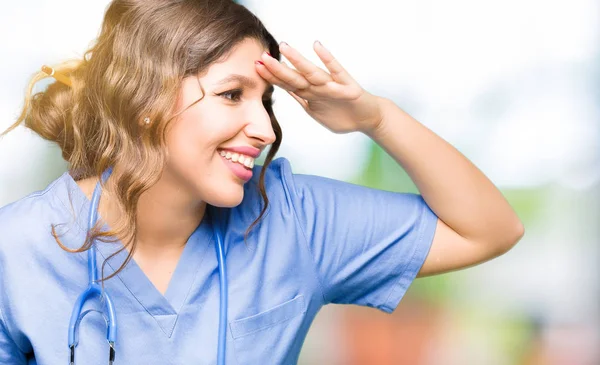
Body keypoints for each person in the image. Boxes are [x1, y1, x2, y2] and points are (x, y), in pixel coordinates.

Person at [0, 0, 524, 364]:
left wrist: (375, 118)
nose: (266, 128)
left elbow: (490, 230)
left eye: (266, 101)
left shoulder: (293, 219)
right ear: (145, 99)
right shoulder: (16, 248)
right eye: (233, 94)